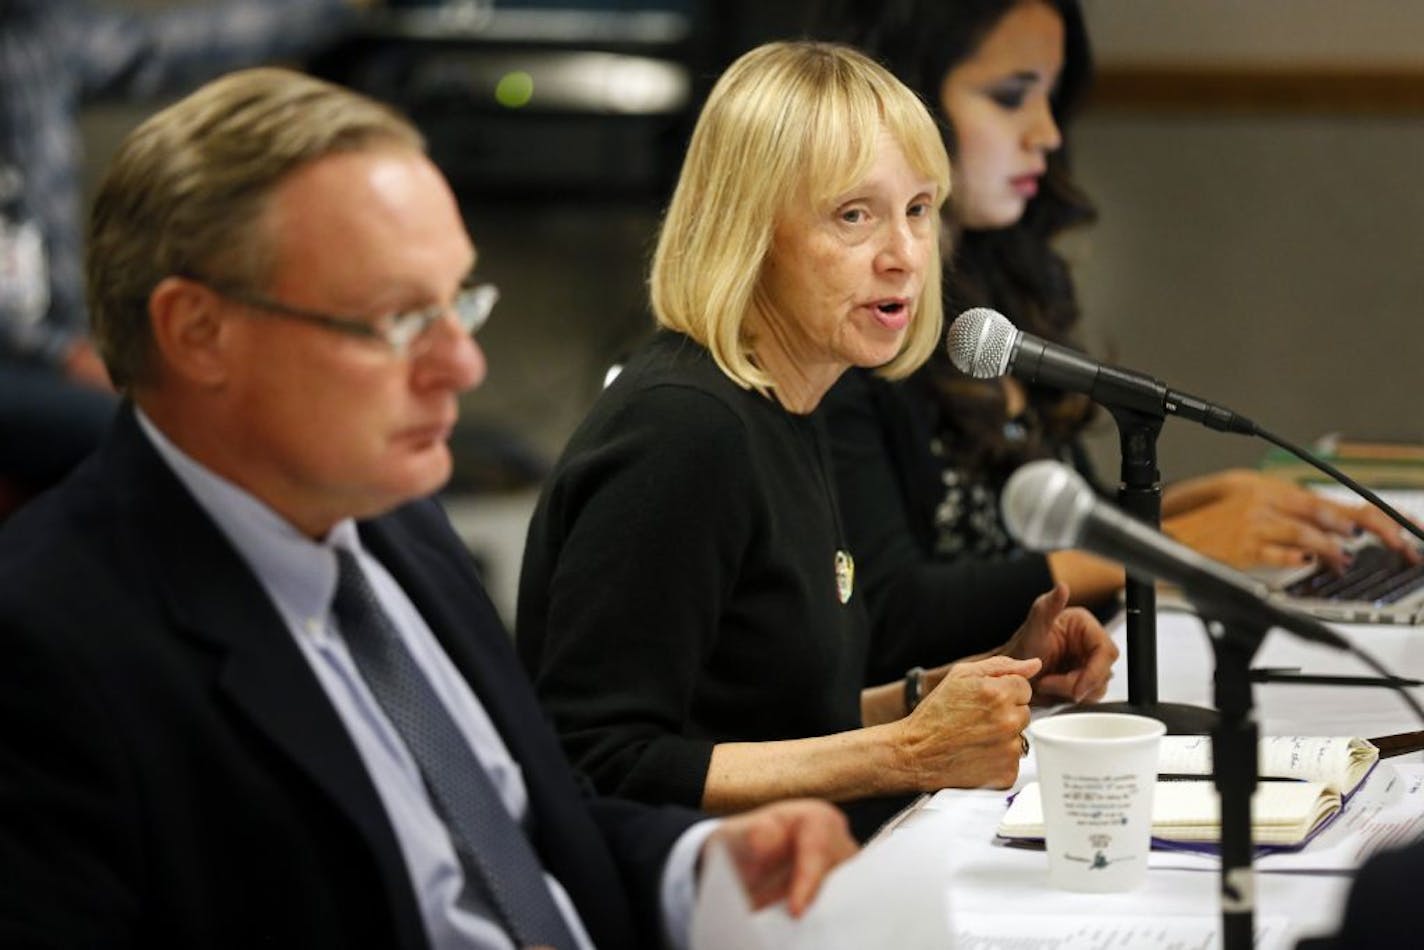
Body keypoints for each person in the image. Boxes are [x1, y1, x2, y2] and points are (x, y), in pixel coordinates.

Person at [0, 67, 858, 949]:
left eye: (460, 304)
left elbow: (520, 836)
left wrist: (701, 861)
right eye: (401, 320)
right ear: (197, 332)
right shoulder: (47, 650)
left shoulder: (392, 523)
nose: (465, 366)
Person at [516, 40, 1118, 842]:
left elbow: (771, 715)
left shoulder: (789, 403)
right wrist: (910, 752)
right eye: (853, 215)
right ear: (748, 233)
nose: (903, 257)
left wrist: (975, 684)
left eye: (917, 209)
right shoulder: (685, 430)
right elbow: (594, 759)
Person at [815, 0, 1420, 682]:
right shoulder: (856, 323)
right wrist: (1166, 544)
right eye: (1012, 97)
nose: (1045, 132)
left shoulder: (994, 281)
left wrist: (1208, 503)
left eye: (1051, 95)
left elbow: (1045, 520)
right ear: (907, 98)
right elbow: (893, 613)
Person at [0, 0, 370, 507]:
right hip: (27, 360)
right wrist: (60, 354)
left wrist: (340, 7)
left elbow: (168, 48)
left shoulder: (33, 35)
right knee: (167, 444)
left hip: (46, 354)